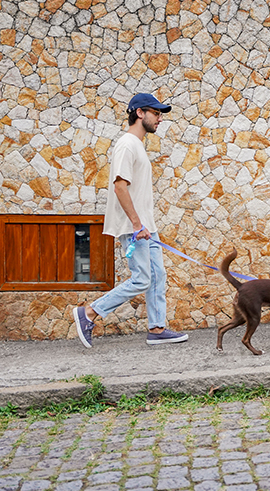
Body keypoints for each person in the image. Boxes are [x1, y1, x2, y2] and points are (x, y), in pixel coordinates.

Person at [73, 93, 188, 348]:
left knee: (158, 275)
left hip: (146, 226)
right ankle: (90, 313)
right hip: (135, 227)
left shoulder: (137, 145)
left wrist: (144, 224)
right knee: (142, 279)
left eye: (160, 114)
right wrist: (137, 225)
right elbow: (120, 187)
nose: (159, 119)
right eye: (156, 113)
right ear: (139, 113)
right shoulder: (127, 144)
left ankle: (157, 329)